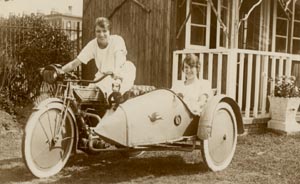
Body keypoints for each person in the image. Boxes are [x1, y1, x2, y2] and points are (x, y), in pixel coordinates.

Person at [61, 17, 135, 96]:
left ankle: (118, 100)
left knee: (112, 96)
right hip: (103, 76)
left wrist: (116, 71)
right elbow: (75, 62)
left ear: (109, 31)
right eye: (98, 31)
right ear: (95, 32)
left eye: (104, 31)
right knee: (86, 96)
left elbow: (119, 57)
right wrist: (60, 71)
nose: (101, 34)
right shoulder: (92, 45)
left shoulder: (117, 40)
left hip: (120, 73)